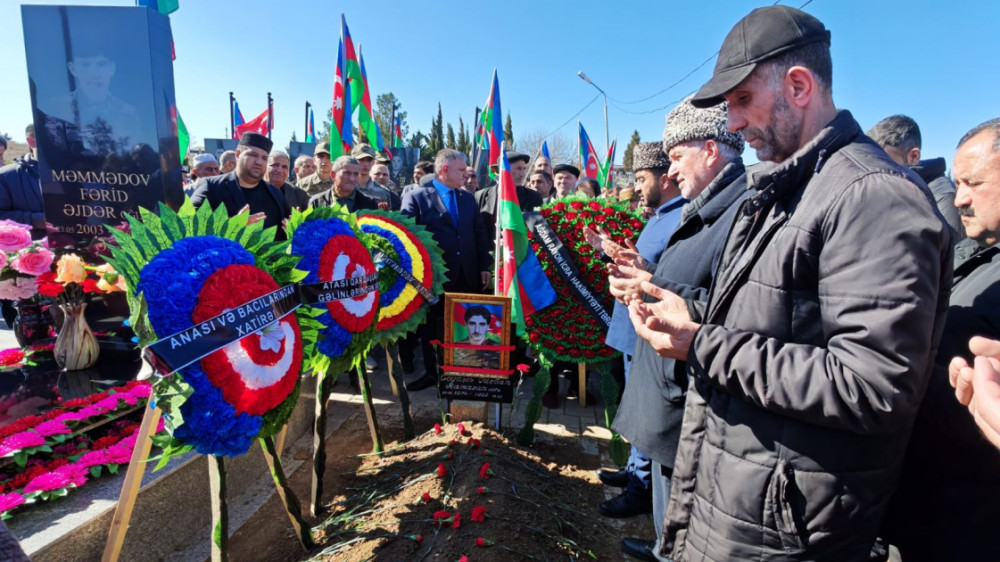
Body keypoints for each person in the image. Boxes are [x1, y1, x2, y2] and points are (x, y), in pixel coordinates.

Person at [630, 7, 951, 561]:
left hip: (785, 530)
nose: (731, 123)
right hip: (743, 502)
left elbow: (870, 386)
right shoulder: (791, 186)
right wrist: (695, 315)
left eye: (741, 101)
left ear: (798, 86)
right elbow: (778, 325)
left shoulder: (872, 198)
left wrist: (700, 343)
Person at [882, 117, 1000, 561]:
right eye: (957, 181)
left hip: (970, 520)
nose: (960, 198)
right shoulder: (971, 249)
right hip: (922, 496)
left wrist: (893, 371)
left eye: (973, 182)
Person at [585, 141, 687, 528]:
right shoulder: (660, 214)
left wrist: (639, 266)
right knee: (638, 405)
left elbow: (663, 276)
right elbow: (643, 266)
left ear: (665, 178)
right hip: (634, 329)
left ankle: (640, 490)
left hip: (650, 331)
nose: (638, 187)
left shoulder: (679, 217)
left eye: (642, 178)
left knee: (648, 410)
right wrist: (611, 252)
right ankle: (634, 473)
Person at [401, 149, 491, 391]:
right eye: (461, 171)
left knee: (464, 323)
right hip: (434, 279)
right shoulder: (417, 198)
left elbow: (478, 234)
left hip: (468, 273)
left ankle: (462, 369)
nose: (466, 176)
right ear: (444, 170)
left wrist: (484, 266)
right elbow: (407, 239)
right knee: (433, 326)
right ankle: (433, 373)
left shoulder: (467, 199)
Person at [868, 114, 964, 241]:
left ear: (914, 157)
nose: (876, 169)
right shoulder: (891, 188)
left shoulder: (942, 194)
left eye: (885, 162)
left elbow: (954, 253)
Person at [190, 132, 291, 240]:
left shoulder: (275, 193)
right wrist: (233, 225)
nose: (259, 162)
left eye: (264, 158)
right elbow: (189, 223)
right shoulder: (211, 186)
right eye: (252, 155)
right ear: (237, 155)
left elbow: (287, 228)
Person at [475, 151, 542, 242]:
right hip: (489, 253)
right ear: (503, 170)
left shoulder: (533, 197)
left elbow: (539, 230)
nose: (522, 174)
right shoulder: (480, 196)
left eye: (524, 169)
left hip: (520, 252)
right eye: (518, 168)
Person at [0, 125, 45, 239]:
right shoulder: (5, 176)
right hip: (31, 251)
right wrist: (35, 220)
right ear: (32, 142)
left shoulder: (80, 173)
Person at [309, 155, 379, 212]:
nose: (352, 179)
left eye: (356, 174)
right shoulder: (317, 202)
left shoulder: (369, 203)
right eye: (347, 173)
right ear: (333, 175)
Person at [351, 143, 400, 210]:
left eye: (369, 160)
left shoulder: (384, 192)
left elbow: (390, 218)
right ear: (353, 160)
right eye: (361, 159)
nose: (365, 164)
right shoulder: (346, 188)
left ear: (374, 162)